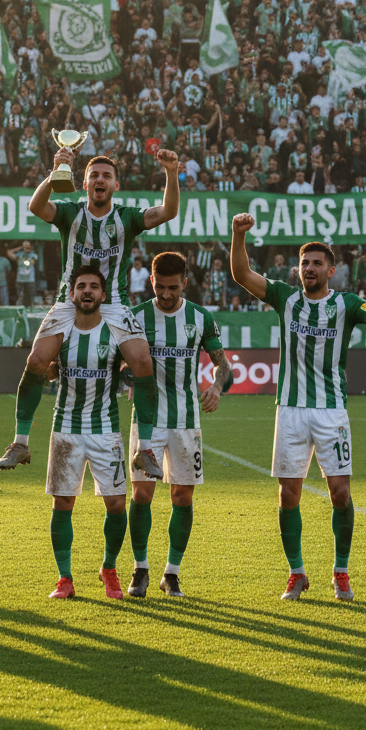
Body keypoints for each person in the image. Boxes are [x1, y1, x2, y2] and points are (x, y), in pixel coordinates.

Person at [229, 220, 366, 601]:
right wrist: (239, 234)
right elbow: (241, 273)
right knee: (289, 495)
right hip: (290, 410)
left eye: (317, 263)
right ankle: (296, 573)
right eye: (305, 263)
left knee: (340, 493)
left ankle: (340, 572)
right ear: (298, 269)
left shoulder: (347, 304)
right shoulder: (285, 297)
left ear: (330, 270)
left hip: (331, 412)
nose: (310, 269)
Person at [0, 149, 181, 479]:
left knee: (142, 362)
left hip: (115, 303)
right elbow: (36, 206)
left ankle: (145, 449)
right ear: (84, 183)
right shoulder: (71, 214)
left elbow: (167, 211)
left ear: (116, 185)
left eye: (106, 176)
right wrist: (55, 173)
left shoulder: (126, 218)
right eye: (94, 175)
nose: (100, 180)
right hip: (70, 300)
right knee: (37, 362)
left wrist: (171, 171)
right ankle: (20, 442)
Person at [126, 252, 232, 598]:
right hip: (147, 421)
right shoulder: (137, 317)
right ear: (151, 282)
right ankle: (140, 568)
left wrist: (217, 386)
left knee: (182, 496)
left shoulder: (200, 318)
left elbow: (223, 365)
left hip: (187, 420)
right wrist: (130, 380)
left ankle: (171, 573)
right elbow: (116, 362)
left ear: (184, 283)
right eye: (160, 287)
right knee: (142, 494)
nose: (166, 294)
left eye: (173, 287)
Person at [43, 266, 130, 601]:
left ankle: (108, 568)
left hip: (106, 429)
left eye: (94, 286)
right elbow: (46, 370)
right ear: (72, 294)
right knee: (63, 503)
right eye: (81, 286)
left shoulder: (116, 330)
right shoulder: (60, 329)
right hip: (65, 428)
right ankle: (64, 578)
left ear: (103, 295)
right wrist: (48, 369)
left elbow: (131, 365)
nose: (88, 291)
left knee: (116, 503)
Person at [7, 241, 39, 308]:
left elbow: (33, 261)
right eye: (24, 246)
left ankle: (30, 308)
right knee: (20, 296)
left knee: (30, 296)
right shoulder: (19, 254)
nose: (26, 247)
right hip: (20, 279)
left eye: (27, 246)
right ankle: (20, 310)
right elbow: (9, 252)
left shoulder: (33, 255)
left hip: (30, 279)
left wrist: (29, 250)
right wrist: (19, 248)